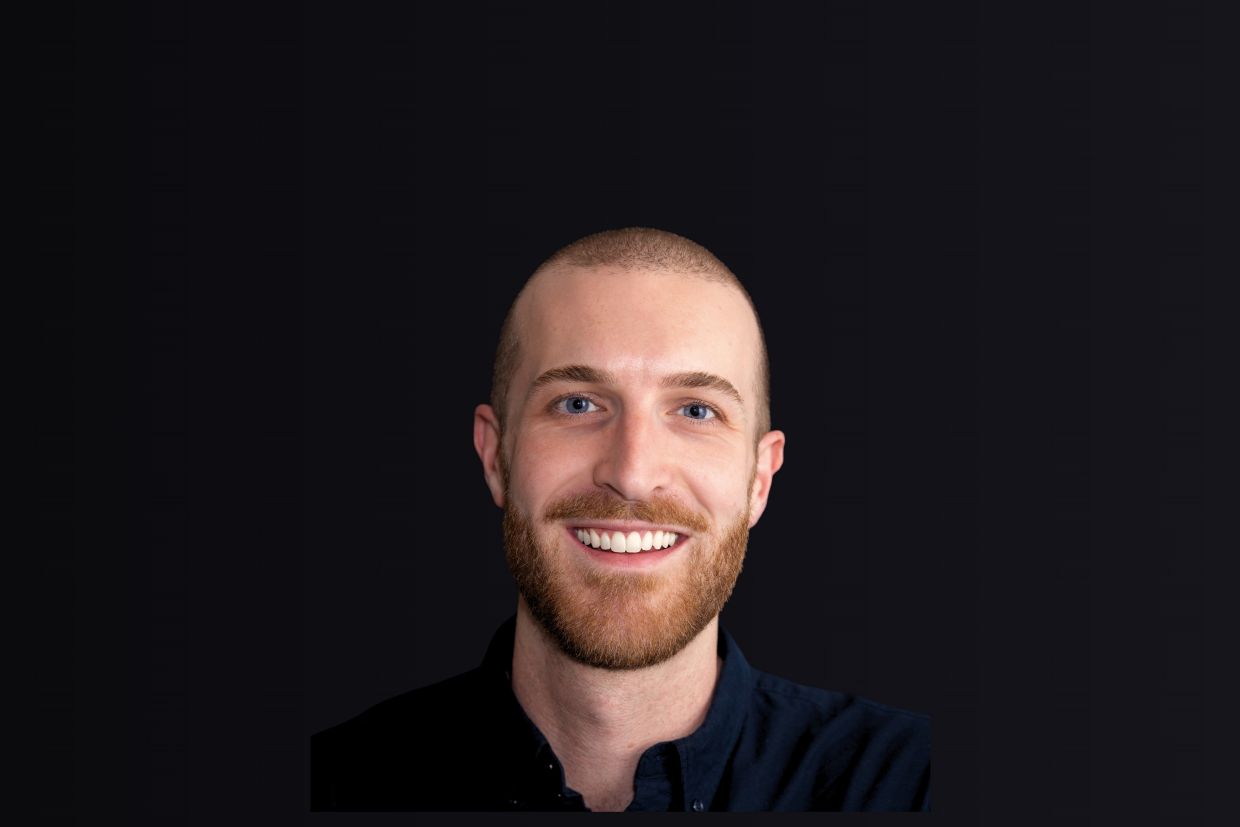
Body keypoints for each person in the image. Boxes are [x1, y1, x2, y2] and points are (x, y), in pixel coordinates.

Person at [310, 228, 930, 812]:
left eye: (695, 410)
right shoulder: (333, 785)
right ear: (496, 455)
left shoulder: (911, 784)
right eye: (578, 404)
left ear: (759, 478)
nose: (632, 474)